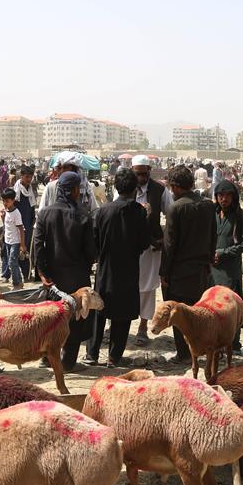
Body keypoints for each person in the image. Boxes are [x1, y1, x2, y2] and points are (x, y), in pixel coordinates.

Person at [85, 168, 150, 367]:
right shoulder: (139, 212)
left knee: (99, 310)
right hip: (129, 270)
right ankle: (114, 357)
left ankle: (92, 354)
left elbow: (94, 242)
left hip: (106, 270)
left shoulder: (103, 211)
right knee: (122, 315)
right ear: (134, 189)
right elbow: (144, 242)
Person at [33, 171, 96, 371]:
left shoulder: (45, 213)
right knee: (75, 319)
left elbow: (38, 244)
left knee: (52, 317)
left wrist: (42, 272)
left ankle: (46, 356)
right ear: (76, 190)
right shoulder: (83, 214)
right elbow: (91, 251)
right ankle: (68, 361)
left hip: (52, 278)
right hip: (77, 276)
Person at [160, 165, 217, 364]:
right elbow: (213, 236)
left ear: (174, 187)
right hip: (201, 270)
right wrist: (210, 260)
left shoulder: (175, 208)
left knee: (179, 313)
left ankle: (184, 354)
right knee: (197, 312)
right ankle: (198, 349)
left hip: (179, 271)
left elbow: (169, 244)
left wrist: (163, 272)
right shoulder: (208, 205)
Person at [131, 155, 172, 347]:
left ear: (149, 170)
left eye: (145, 172)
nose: (142, 177)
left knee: (148, 287)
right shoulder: (125, 187)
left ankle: (143, 327)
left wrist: (164, 238)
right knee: (128, 285)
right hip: (130, 248)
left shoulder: (159, 190)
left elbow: (172, 215)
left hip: (151, 248)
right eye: (138, 173)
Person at [210, 180, 243, 352]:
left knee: (230, 306)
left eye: (228, 195)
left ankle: (232, 342)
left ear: (234, 197)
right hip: (212, 268)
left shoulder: (241, 216)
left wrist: (223, 253)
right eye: (221, 195)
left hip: (230, 269)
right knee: (213, 304)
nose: (224, 199)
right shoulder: (213, 214)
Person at [13, 166, 37, 281]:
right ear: (21, 176)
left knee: (26, 249)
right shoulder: (15, 192)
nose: (29, 179)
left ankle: (27, 274)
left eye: (31, 177)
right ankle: (14, 276)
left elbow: (32, 207)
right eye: (27, 177)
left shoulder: (30, 190)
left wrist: (33, 221)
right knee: (16, 249)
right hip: (16, 226)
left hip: (28, 225)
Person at [0, 188, 26, 289]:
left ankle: (16, 283)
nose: (5, 203)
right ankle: (19, 282)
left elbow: (21, 230)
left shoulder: (16, 213)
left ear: (13, 200)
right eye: (3, 201)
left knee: (12, 262)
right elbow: (7, 226)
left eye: (7, 201)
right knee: (13, 262)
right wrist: (2, 218)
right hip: (7, 241)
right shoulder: (6, 211)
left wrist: (22, 245)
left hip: (15, 242)